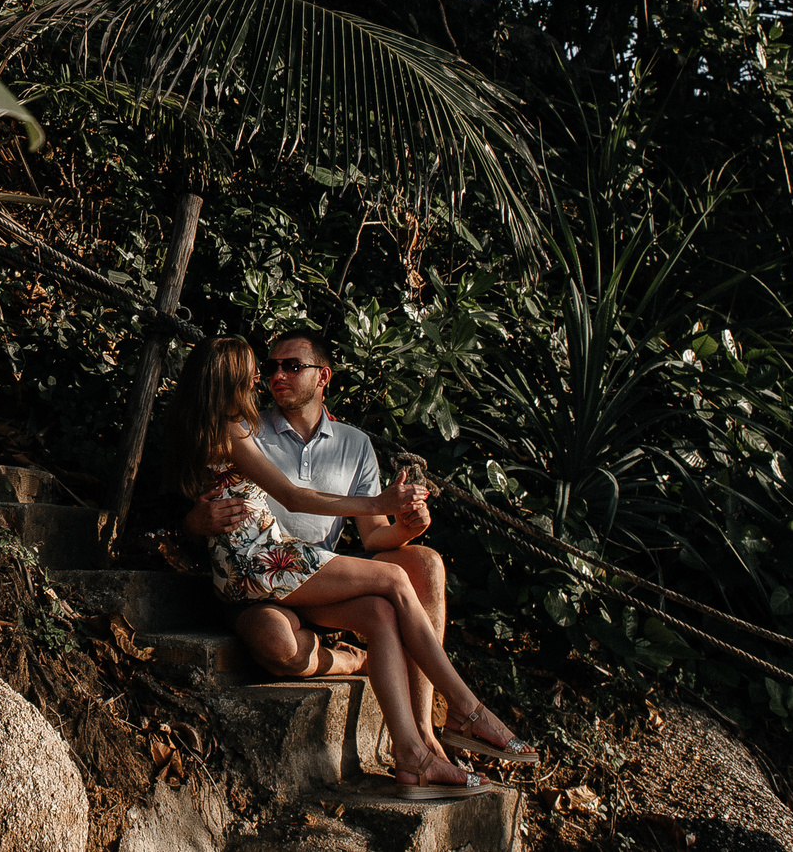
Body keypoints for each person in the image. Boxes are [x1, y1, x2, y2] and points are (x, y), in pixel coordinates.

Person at [166, 334, 536, 790]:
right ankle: (465, 709)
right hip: (268, 562)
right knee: (395, 581)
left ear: (322, 376)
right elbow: (291, 496)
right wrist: (378, 498)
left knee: (383, 610)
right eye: (259, 368)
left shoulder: (218, 428)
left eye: (289, 366)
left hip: (260, 563)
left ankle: (413, 753)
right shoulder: (243, 428)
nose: (268, 376)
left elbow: (377, 536)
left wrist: (402, 524)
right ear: (230, 379)